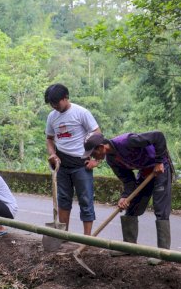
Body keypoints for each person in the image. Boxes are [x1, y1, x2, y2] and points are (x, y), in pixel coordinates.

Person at [83, 131, 173, 260]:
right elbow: (128, 180)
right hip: (145, 171)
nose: (93, 157)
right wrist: (125, 196)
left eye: (93, 153)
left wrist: (159, 162)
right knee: (132, 206)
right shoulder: (112, 159)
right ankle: (129, 246)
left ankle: (164, 253)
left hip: (161, 167)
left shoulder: (127, 141)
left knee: (160, 208)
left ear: (102, 147)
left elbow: (158, 136)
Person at [44, 83, 101, 235]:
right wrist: (52, 154)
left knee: (85, 201)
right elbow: (49, 138)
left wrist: (97, 160)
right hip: (61, 165)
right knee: (63, 201)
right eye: (51, 104)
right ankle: (63, 235)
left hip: (81, 164)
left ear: (65, 98)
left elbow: (97, 135)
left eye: (56, 103)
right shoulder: (52, 117)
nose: (54, 106)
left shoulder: (81, 113)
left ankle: (87, 238)